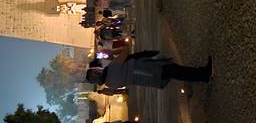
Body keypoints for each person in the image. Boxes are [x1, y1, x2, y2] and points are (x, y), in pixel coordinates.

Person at [85, 47, 213, 89]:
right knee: (179, 71)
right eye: (96, 69)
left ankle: (203, 76)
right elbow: (126, 49)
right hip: (150, 68)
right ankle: (204, 74)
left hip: (148, 80)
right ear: (97, 71)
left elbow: (124, 70)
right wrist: (112, 52)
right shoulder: (113, 67)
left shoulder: (110, 84)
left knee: (178, 74)